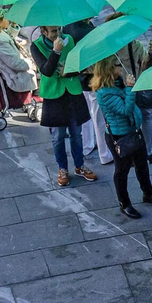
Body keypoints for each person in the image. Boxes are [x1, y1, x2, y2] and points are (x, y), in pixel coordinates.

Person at [91, 57, 152, 218]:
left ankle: (148, 194)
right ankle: (124, 203)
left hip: (133, 131)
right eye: (117, 66)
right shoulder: (104, 92)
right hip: (119, 136)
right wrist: (130, 89)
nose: (121, 67)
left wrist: (128, 87)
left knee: (142, 165)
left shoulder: (119, 83)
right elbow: (125, 110)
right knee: (122, 170)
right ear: (109, 70)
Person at [31, 24, 96, 187]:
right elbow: (46, 70)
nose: (58, 34)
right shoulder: (36, 46)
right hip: (54, 95)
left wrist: (67, 71)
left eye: (59, 30)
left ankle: (79, 166)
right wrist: (56, 52)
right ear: (43, 32)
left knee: (76, 134)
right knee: (58, 136)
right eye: (53, 31)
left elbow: (78, 67)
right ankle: (62, 168)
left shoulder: (70, 40)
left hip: (72, 91)